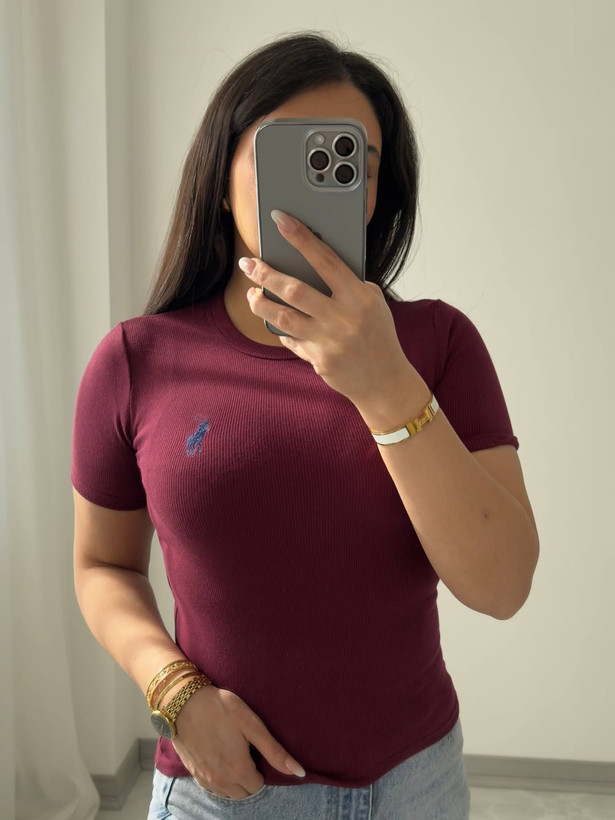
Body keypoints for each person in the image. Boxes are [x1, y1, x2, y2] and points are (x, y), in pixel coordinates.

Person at [71, 32, 539, 820]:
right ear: (220, 182)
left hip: (414, 786)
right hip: (220, 788)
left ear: (378, 194)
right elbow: (102, 567)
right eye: (286, 154)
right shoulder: (136, 360)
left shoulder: (437, 344)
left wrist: (384, 384)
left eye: (351, 161)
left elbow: (500, 586)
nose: (322, 182)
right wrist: (173, 691)